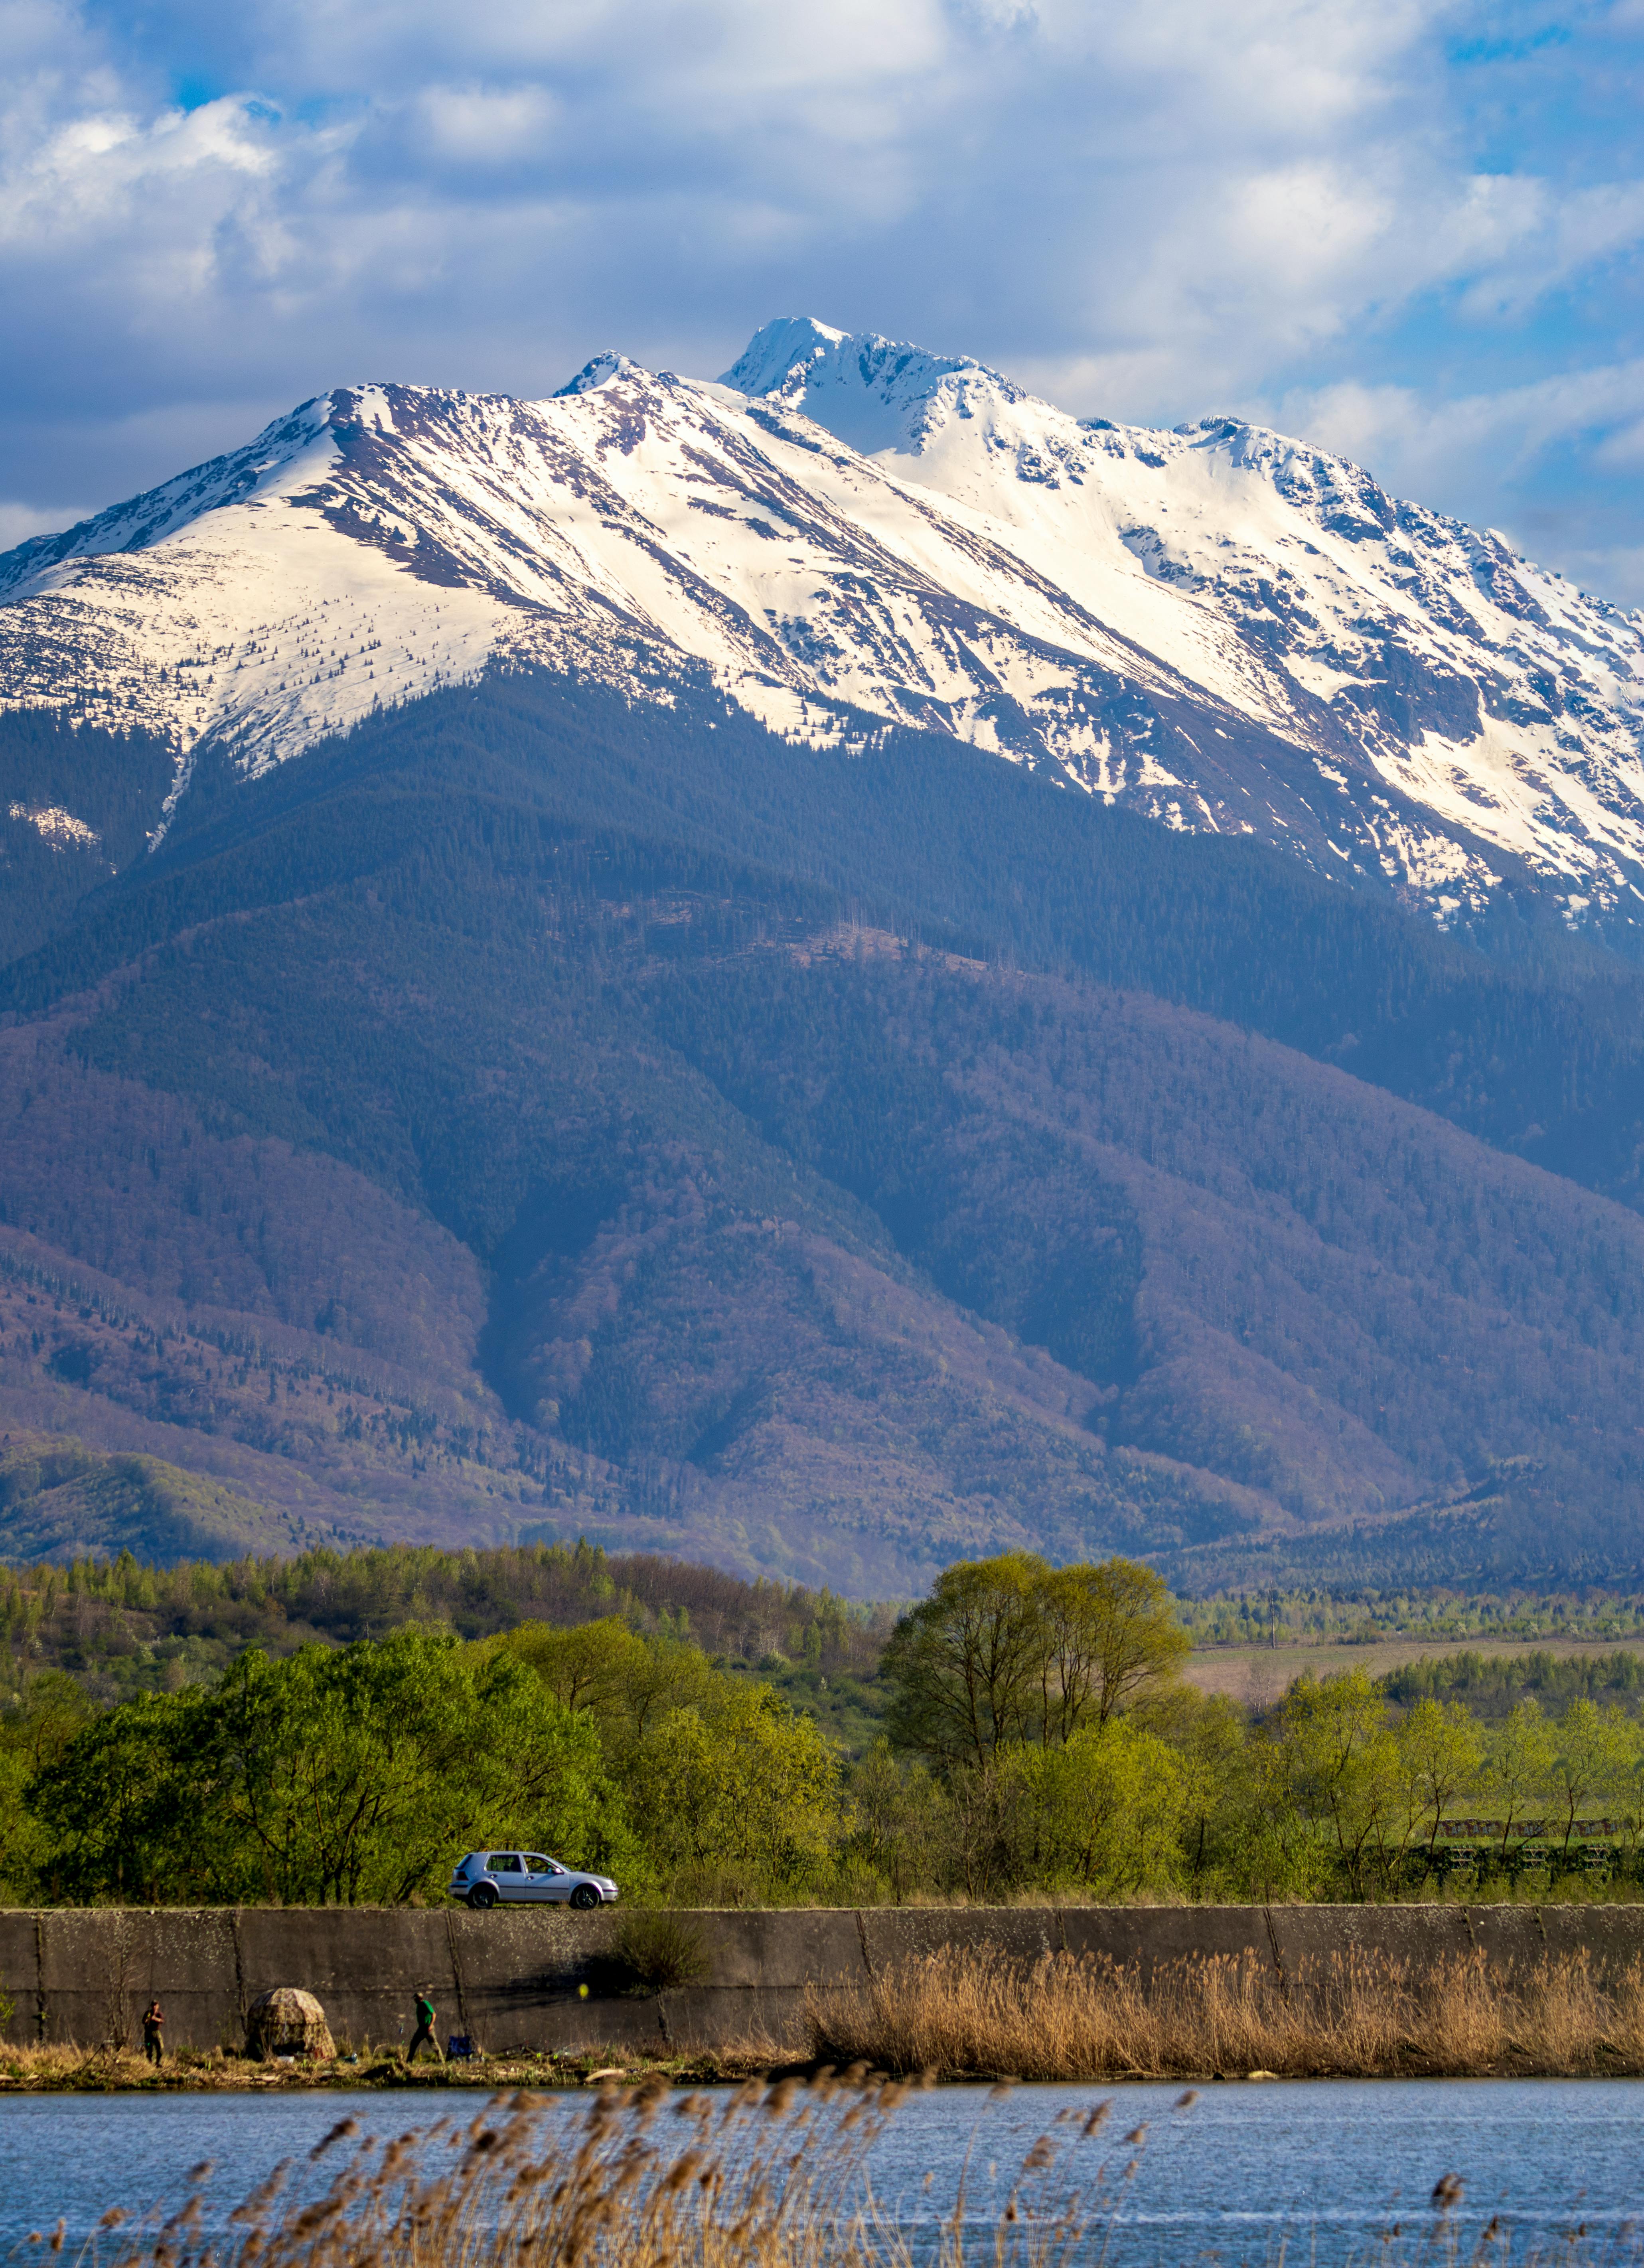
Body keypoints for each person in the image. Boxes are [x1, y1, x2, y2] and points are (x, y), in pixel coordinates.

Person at [406, 1987, 443, 2063]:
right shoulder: (419, 2006)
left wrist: (431, 2025)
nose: (415, 2000)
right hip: (421, 2029)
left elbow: (434, 2014)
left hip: (428, 2029)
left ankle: (441, 2061)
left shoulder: (425, 2004)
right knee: (414, 2043)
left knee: (434, 2045)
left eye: (416, 1999)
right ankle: (409, 2061)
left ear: (419, 1998)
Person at [142, 2000, 164, 2066]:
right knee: (149, 2048)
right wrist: (148, 2019)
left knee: (160, 2048)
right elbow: (144, 2021)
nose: (154, 2007)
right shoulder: (149, 2013)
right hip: (149, 2033)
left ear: (158, 2006)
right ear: (152, 2006)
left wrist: (155, 2019)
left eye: (156, 2005)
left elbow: (162, 2021)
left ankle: (159, 2062)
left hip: (156, 2033)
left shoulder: (159, 2014)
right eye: (153, 2005)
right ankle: (150, 2063)